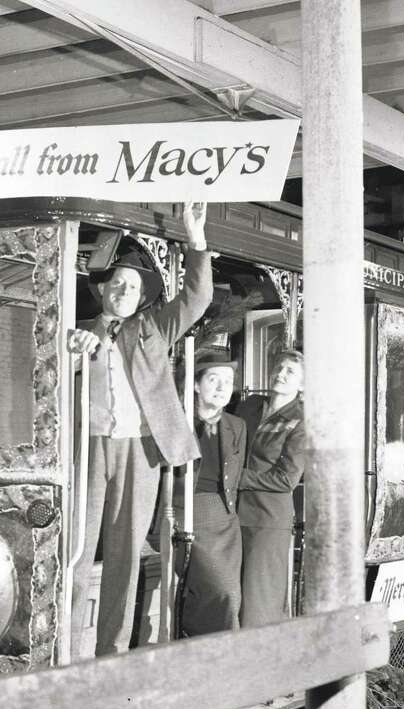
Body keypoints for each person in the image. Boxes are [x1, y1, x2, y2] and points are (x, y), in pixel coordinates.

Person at [66, 202, 213, 658]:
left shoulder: (152, 327)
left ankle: (110, 654)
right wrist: (72, 352)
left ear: (140, 296)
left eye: (132, 287)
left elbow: (197, 299)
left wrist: (196, 240)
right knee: (75, 551)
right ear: (103, 290)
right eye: (118, 284)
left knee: (126, 556)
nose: (124, 291)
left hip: (140, 452)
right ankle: (65, 652)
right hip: (87, 451)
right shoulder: (74, 333)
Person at [175, 354, 246, 637]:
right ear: (195, 385)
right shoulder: (179, 421)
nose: (221, 388)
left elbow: (236, 475)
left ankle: (214, 657)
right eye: (213, 379)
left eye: (227, 382)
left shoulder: (236, 426)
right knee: (220, 591)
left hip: (226, 519)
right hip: (187, 513)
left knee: (231, 595)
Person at [236, 348, 306, 627]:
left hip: (266, 521)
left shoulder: (300, 422)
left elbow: (286, 479)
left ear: (302, 385)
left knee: (257, 602)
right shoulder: (250, 406)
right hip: (232, 515)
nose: (281, 373)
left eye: (290, 371)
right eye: (279, 367)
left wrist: (240, 478)